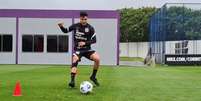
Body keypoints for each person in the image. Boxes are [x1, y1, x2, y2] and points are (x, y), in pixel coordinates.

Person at [58, 11, 100, 88]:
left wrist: (85, 43)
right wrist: (61, 26)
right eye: (82, 19)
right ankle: (72, 81)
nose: (84, 21)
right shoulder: (75, 26)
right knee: (75, 59)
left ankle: (93, 77)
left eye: (85, 19)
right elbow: (65, 31)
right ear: (80, 18)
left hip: (87, 50)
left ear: (87, 19)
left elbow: (94, 40)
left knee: (97, 59)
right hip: (78, 50)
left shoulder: (90, 28)